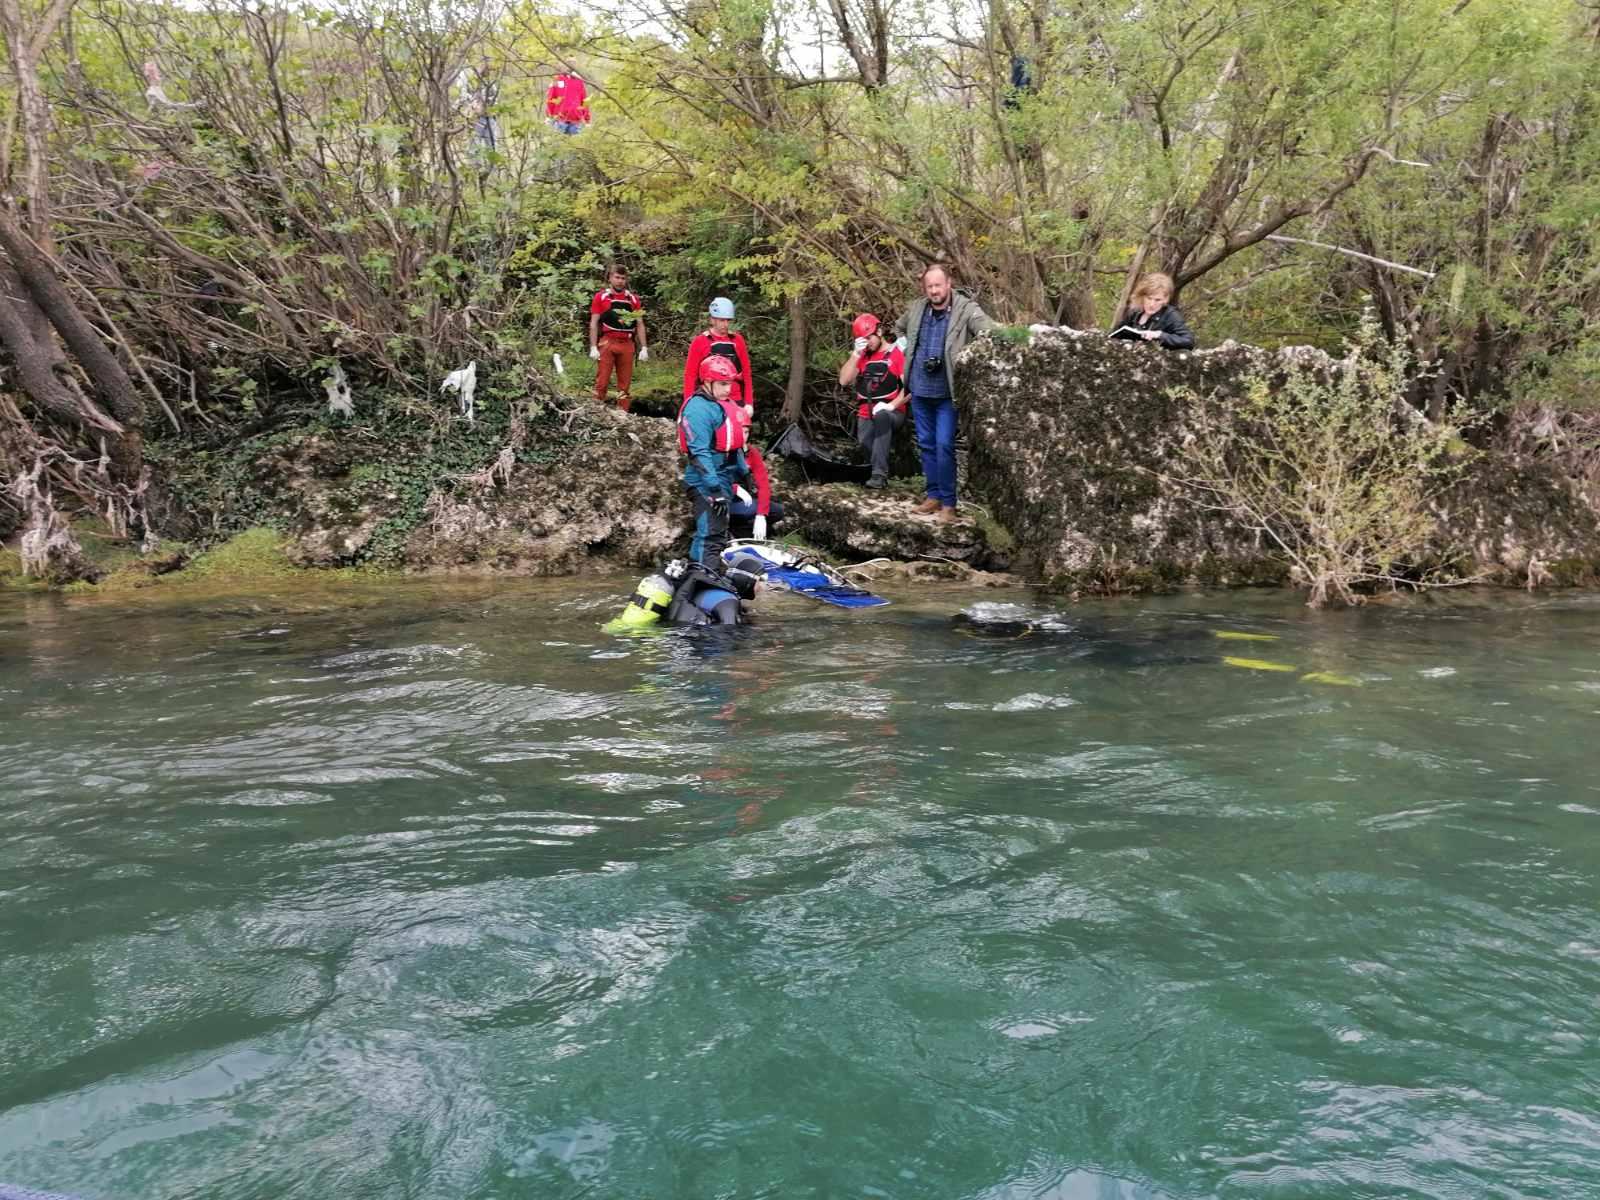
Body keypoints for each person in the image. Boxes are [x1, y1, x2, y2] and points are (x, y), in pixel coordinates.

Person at [895, 263, 997, 522]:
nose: (934, 291)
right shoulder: (917, 308)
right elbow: (899, 328)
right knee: (927, 444)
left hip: (947, 393)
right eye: (929, 286)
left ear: (948, 283)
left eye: (938, 285)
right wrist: (907, 352)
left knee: (944, 445)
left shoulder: (965, 309)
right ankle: (933, 496)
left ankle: (949, 504)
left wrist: (1017, 336)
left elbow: (989, 329)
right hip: (919, 390)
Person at [684, 299, 777, 539]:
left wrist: (748, 403)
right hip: (711, 403)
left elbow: (745, 371)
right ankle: (720, 490)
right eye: (721, 319)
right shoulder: (701, 342)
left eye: (728, 320)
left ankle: (738, 491)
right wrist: (687, 406)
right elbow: (691, 375)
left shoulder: (737, 341)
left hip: (734, 402)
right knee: (715, 448)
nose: (725, 324)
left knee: (738, 448)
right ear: (712, 319)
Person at [678, 355, 748, 568]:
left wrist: (744, 473)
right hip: (704, 481)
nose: (729, 389)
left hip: (722, 475)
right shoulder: (697, 408)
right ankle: (701, 575)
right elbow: (699, 454)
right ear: (707, 382)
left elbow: (733, 446)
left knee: (716, 533)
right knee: (710, 533)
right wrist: (714, 489)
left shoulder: (721, 404)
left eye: (730, 384)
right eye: (723, 384)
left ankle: (704, 572)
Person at [837, 312, 906, 490]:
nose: (868, 342)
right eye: (863, 339)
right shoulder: (862, 356)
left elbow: (910, 388)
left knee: (882, 417)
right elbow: (844, 380)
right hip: (866, 411)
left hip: (893, 411)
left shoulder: (896, 353)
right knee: (865, 443)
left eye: (869, 338)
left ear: (879, 332)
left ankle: (879, 475)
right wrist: (855, 354)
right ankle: (874, 470)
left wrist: (890, 406)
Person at [589, 264, 648, 411]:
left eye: (623, 278)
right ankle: (596, 410)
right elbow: (594, 323)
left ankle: (622, 413)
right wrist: (593, 346)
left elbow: (640, 323)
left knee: (624, 383)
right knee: (602, 381)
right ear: (610, 278)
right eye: (617, 277)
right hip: (608, 342)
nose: (620, 281)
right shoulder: (601, 297)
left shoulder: (633, 299)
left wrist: (644, 347)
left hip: (627, 343)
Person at [1110, 272, 1194, 350]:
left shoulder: (1171, 315)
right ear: (1142, 296)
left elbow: (1188, 341)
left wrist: (1159, 335)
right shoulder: (1135, 311)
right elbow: (1115, 334)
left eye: (1157, 300)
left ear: (1165, 300)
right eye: (1149, 298)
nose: (1151, 304)